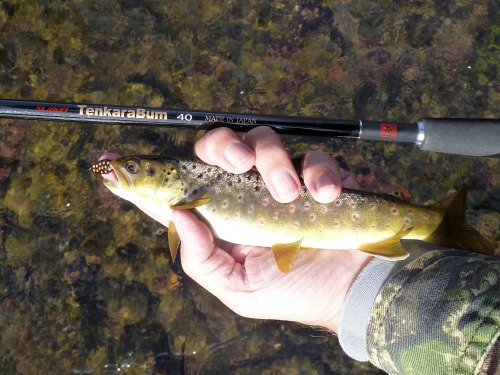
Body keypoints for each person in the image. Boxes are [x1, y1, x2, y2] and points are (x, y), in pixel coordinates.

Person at [116, 126, 499, 374]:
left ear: (167, 176)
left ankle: (436, 224)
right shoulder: (180, 208)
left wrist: (356, 291)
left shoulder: (184, 199)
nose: (122, 171)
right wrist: (355, 289)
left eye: (134, 167)